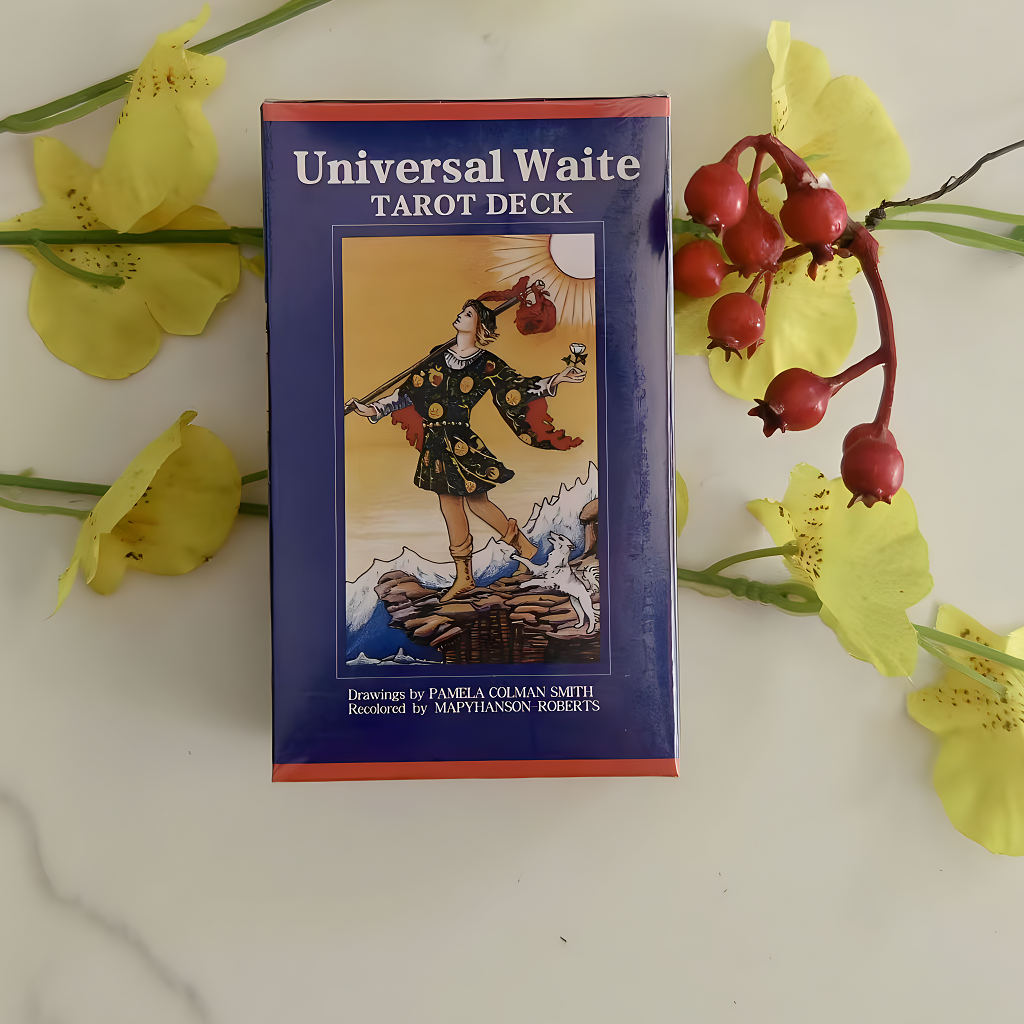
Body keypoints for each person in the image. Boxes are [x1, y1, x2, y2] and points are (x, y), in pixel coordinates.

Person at [349, 298, 586, 602]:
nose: (460, 315)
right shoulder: (437, 356)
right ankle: (479, 570)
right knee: (452, 504)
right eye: (462, 311)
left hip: (461, 440)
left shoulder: (486, 362)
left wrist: (556, 379)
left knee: (477, 502)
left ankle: (508, 556)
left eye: (468, 313)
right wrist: (372, 409)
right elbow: (406, 394)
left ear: (480, 326)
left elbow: (517, 387)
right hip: (436, 441)